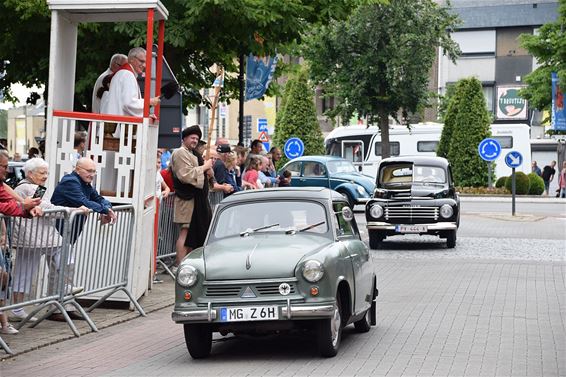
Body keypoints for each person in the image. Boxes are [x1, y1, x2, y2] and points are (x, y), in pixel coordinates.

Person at [11, 158, 89, 322]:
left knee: (59, 250)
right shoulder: (26, 187)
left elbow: (46, 206)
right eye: (42, 173)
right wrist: (72, 210)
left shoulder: (33, 186)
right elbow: (47, 207)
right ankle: (16, 308)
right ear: (30, 173)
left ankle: (18, 307)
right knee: (24, 272)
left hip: (39, 235)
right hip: (31, 235)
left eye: (46, 172)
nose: (46, 176)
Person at [170, 126, 214, 271]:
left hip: (197, 201)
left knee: (192, 234)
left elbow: (207, 176)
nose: (195, 141)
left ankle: (188, 265)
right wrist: (203, 167)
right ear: (184, 138)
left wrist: (208, 169)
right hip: (187, 200)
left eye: (197, 138)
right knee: (186, 232)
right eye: (192, 138)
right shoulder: (180, 153)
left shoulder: (193, 153)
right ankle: (180, 266)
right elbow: (185, 175)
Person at [105, 47, 161, 121]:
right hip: (119, 125)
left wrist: (146, 115)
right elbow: (129, 103)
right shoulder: (127, 75)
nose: (144, 65)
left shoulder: (123, 73)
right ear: (131, 59)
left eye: (146, 62)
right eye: (141, 61)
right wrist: (149, 102)